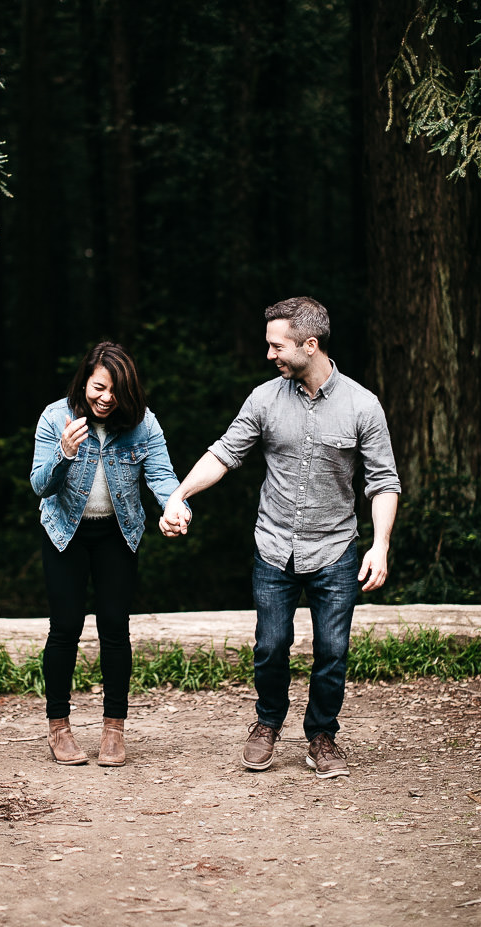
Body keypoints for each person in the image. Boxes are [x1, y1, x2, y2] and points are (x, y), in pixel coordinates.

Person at [160, 297, 400, 778]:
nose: (269, 354)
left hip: (335, 551)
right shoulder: (264, 400)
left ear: (310, 346)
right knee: (271, 645)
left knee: (332, 652)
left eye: (277, 346)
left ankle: (322, 737)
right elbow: (224, 453)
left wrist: (380, 544)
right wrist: (179, 494)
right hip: (274, 548)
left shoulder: (362, 405)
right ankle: (267, 723)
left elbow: (384, 482)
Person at [31, 341, 184, 768]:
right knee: (65, 627)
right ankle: (58, 726)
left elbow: (164, 478)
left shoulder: (143, 425)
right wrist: (64, 453)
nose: (105, 398)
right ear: (85, 380)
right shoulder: (54, 417)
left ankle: (114, 728)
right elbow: (40, 485)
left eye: (116, 392)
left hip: (118, 532)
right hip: (66, 532)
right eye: (99, 387)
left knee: (115, 627)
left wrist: (177, 506)